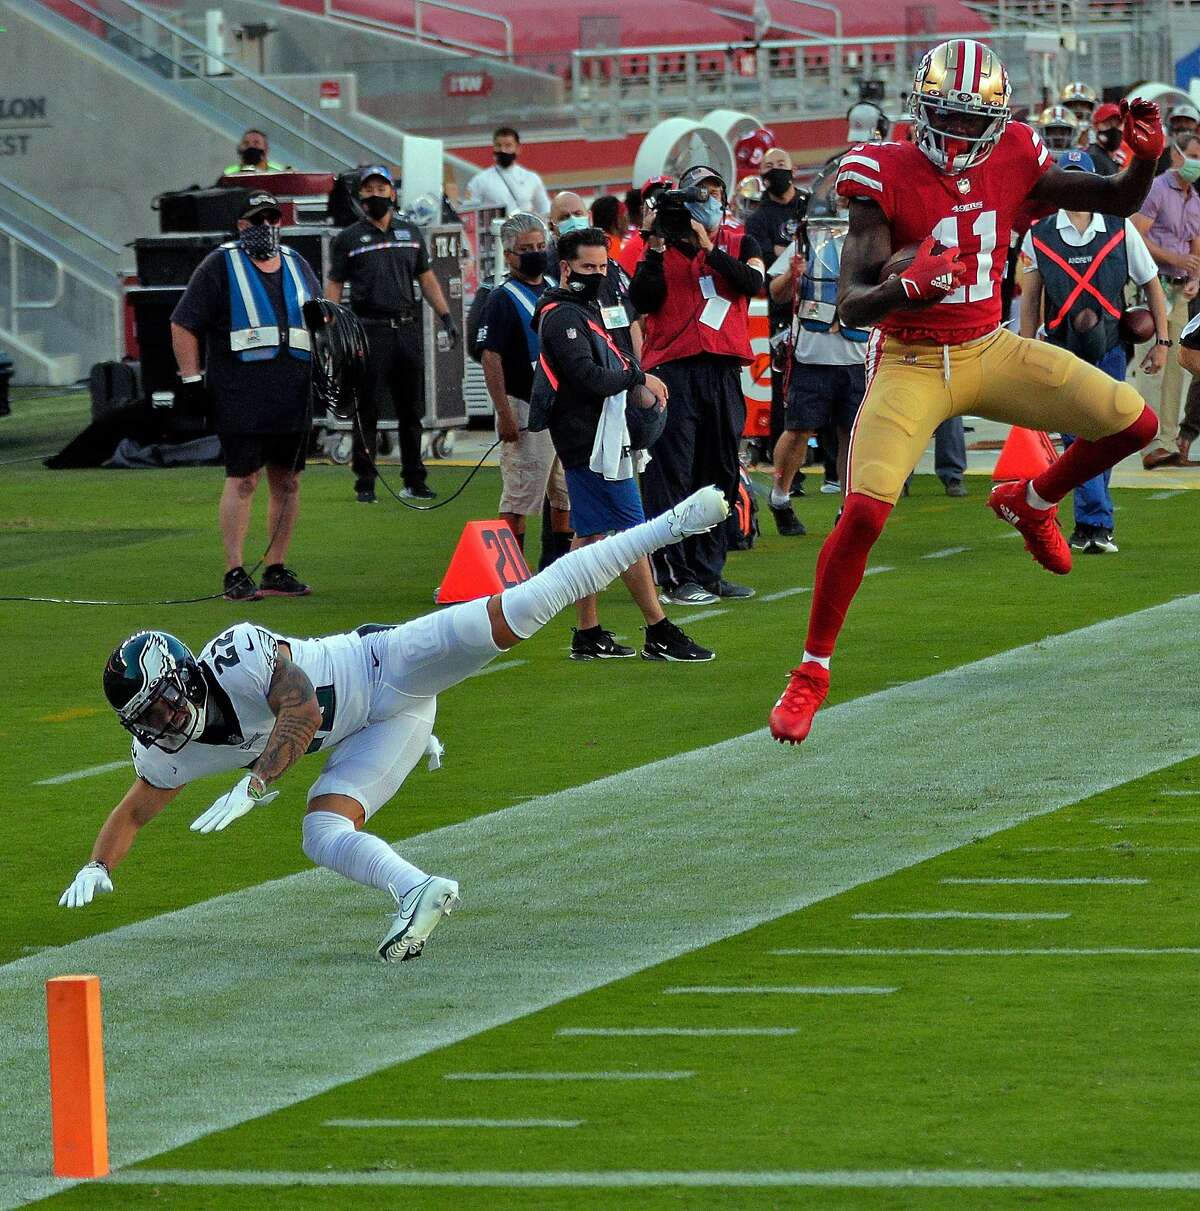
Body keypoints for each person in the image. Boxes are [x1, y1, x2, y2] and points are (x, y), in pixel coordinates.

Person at [56, 484, 730, 960]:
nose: (167, 720)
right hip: (380, 728)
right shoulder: (167, 750)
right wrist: (98, 862)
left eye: (167, 702)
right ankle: (418, 891)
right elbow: (136, 811)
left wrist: (257, 782)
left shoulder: (234, 653)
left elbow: (303, 708)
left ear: (185, 675)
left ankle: (669, 525)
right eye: (150, 716)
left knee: (514, 611)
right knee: (322, 832)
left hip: (386, 666)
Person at [766, 38, 1164, 746]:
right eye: (943, 115)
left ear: (997, 117)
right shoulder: (880, 168)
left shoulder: (1014, 149)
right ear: (920, 109)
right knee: (862, 513)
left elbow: (1109, 199)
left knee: (1133, 423)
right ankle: (811, 671)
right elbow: (851, 304)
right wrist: (904, 287)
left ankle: (1032, 499)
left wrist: (1146, 161)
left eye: (967, 118)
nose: (954, 133)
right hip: (910, 363)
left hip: (989, 347)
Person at [532, 227, 715, 662]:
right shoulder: (562, 316)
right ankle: (658, 628)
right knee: (632, 534)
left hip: (600, 435)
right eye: (587, 267)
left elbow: (615, 357)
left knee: (592, 535)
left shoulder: (585, 307)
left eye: (601, 266)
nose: (597, 274)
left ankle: (587, 632)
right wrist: (638, 377)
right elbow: (589, 378)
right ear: (564, 268)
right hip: (590, 438)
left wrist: (632, 373)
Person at [170, 191, 318, 602]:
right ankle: (234, 570)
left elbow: (319, 318)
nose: (266, 227)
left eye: (273, 217)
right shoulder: (220, 264)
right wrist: (191, 379)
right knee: (244, 480)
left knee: (288, 482)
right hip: (241, 392)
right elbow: (183, 323)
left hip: (293, 391)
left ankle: (275, 567)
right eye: (257, 220)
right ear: (241, 226)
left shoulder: (296, 262)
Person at [1021, 148, 1170, 552]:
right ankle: (1096, 524)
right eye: (1066, 179)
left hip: (1111, 348)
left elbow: (1152, 283)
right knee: (1077, 436)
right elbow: (1030, 297)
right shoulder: (1039, 234)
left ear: (1093, 184)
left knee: (1102, 432)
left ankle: (1092, 523)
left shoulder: (1120, 229)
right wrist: (1023, 350)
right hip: (1062, 349)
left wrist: (1162, 342)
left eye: (1080, 179)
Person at [630, 165, 765, 605]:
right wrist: (654, 244)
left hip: (722, 370)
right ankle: (674, 574)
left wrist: (709, 248)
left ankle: (709, 571)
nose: (704, 202)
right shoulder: (658, 253)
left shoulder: (738, 244)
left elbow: (754, 283)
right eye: (696, 194)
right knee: (674, 473)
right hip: (675, 372)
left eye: (712, 193)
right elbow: (643, 300)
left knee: (721, 472)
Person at [327, 166, 458, 503]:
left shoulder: (410, 233)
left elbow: (426, 278)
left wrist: (446, 315)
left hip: (407, 328)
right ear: (360, 196)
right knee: (366, 408)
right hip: (369, 330)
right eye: (368, 189)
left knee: (410, 410)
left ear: (392, 193)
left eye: (381, 188)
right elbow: (335, 286)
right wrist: (330, 329)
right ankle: (365, 482)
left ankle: (414, 478)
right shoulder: (348, 239)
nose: (375, 195)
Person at [479, 212, 571, 558]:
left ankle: (557, 568)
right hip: (524, 405)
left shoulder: (551, 289)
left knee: (564, 493)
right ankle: (510, 573)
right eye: (526, 248)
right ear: (508, 255)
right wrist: (503, 412)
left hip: (559, 406)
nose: (535, 252)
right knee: (519, 495)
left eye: (539, 246)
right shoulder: (501, 297)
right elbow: (491, 357)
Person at [1131, 132, 1200, 468]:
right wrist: (1172, 256)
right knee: (1152, 365)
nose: (1197, 164)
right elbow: (1136, 233)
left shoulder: (1194, 199)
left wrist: (1196, 277)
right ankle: (1149, 443)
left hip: (1181, 289)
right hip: (1153, 285)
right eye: (1193, 156)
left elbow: (1196, 245)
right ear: (1176, 155)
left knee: (1177, 369)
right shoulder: (1158, 189)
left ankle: (1168, 442)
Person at [463, 126, 550, 217]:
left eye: (508, 146)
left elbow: (544, 208)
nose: (503, 150)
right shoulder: (480, 180)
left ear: (517, 149)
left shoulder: (531, 178)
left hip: (525, 228)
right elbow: (469, 211)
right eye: (498, 146)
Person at [618, 177, 674, 277]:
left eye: (669, 200)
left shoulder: (697, 237)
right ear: (643, 209)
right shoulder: (635, 247)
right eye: (654, 203)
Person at [1088, 102, 1130, 176]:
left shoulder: (1116, 159)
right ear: (1095, 126)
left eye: (1118, 124)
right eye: (1107, 124)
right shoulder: (1093, 158)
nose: (1113, 129)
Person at [223, 129, 288, 176]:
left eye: (256, 143)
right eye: (246, 143)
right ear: (240, 149)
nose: (251, 146)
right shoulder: (229, 173)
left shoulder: (280, 172)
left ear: (266, 149)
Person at [591, 194, 629, 262]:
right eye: (625, 215)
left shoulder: (592, 243)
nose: (628, 219)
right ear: (618, 219)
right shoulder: (615, 245)